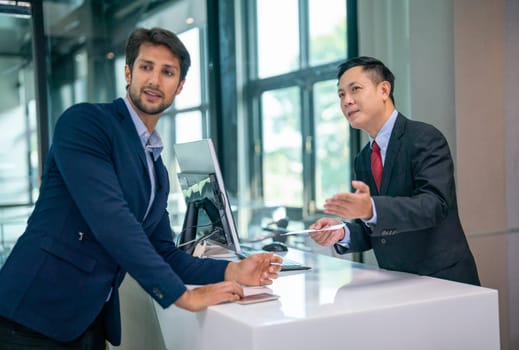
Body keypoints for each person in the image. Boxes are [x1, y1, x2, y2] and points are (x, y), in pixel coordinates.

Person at [0, 27, 282, 349]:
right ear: (128, 72)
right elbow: (112, 221)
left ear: (180, 86)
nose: (154, 80)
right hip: (31, 316)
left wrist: (233, 269)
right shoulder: (86, 123)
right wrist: (181, 295)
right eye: (146, 67)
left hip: (87, 321)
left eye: (167, 72)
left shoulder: (156, 169)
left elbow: (165, 252)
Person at [309, 56, 480, 286]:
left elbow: (434, 205)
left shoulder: (424, 137)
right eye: (341, 95)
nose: (346, 101)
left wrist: (372, 209)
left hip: (443, 279)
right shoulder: (363, 158)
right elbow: (377, 226)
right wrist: (341, 232)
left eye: (355, 89)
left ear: (384, 90)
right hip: (395, 282)